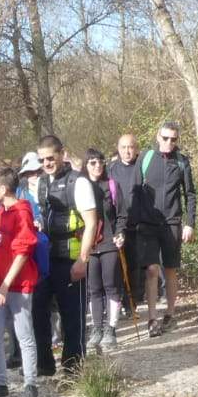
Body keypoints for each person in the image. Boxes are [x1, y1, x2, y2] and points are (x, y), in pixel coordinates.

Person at [0, 162, 42, 397]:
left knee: (24, 334)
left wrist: (5, 285)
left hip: (18, 286)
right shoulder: (0, 211)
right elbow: (0, 249)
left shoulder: (22, 212)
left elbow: (23, 251)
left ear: (3, 188)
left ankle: (30, 385)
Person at [32, 135, 99, 374]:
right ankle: (45, 364)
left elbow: (91, 223)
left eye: (51, 157)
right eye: (43, 159)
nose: (47, 163)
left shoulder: (78, 182)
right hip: (45, 260)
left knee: (72, 317)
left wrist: (83, 260)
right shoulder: (40, 183)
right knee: (38, 311)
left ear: (63, 154)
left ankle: (72, 368)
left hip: (71, 258)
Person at [138, 121, 198, 335]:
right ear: (158, 137)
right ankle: (152, 319)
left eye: (174, 139)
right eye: (165, 138)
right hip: (148, 224)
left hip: (172, 223)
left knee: (170, 269)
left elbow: (189, 194)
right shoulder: (145, 158)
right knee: (152, 269)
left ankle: (170, 315)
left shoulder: (182, 161)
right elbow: (134, 190)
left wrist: (190, 223)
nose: (169, 143)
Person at [82, 148, 122, 354]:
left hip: (109, 242)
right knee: (93, 288)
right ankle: (96, 328)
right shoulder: (80, 186)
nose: (98, 166)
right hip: (89, 244)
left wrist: (121, 232)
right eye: (92, 163)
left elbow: (121, 214)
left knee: (110, 285)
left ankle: (111, 329)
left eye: (100, 162)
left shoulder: (112, 185)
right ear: (86, 165)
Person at [108, 132, 150, 320]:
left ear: (136, 149)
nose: (127, 151)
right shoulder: (111, 170)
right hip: (117, 225)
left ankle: (133, 302)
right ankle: (121, 302)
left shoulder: (143, 167)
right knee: (117, 267)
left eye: (130, 147)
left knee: (135, 266)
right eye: (123, 147)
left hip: (139, 224)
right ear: (118, 149)